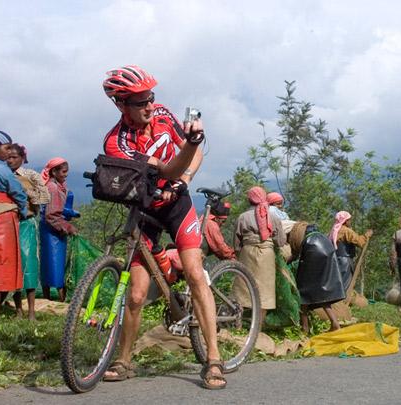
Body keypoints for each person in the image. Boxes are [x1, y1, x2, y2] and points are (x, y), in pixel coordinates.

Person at [100, 65, 225, 389]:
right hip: (146, 211)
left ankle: (213, 359)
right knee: (137, 294)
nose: (149, 106)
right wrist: (187, 152)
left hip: (178, 206)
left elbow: (188, 160)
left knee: (196, 273)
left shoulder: (164, 116)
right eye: (140, 102)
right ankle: (124, 360)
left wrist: (186, 175)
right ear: (121, 105)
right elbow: (168, 166)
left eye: (151, 98)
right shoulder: (117, 142)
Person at [0, 127, 28, 321]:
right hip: (2, 219)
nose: (9, 151)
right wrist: (23, 209)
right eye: (6, 147)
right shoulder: (1, 169)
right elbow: (18, 192)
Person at [6, 144, 50, 320]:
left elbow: (45, 197)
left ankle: (31, 310)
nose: (10, 160)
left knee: (29, 263)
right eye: (8, 157)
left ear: (22, 158)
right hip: (9, 224)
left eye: (14, 157)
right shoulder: (3, 175)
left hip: (26, 224)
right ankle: (18, 309)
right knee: (14, 265)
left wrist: (26, 191)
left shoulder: (30, 175)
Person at [234, 186, 287, 327]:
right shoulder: (273, 217)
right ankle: (258, 326)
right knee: (265, 289)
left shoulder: (243, 217)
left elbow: (237, 242)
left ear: (249, 200)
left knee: (243, 287)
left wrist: (240, 254)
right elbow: (281, 241)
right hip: (267, 255)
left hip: (247, 253)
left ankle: (238, 323)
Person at [39, 157, 77, 302]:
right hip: (51, 232)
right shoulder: (52, 188)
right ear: (54, 172)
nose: (66, 175)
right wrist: (68, 227)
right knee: (53, 263)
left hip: (56, 230)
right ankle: (55, 299)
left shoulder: (60, 185)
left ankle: (50, 296)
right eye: (63, 172)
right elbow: (51, 215)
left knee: (53, 263)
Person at [295, 224, 344, 332]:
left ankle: (305, 327)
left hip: (313, 261)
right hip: (327, 263)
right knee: (323, 295)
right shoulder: (323, 238)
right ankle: (335, 323)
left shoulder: (307, 239)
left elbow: (297, 257)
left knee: (303, 295)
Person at [328, 211, 372, 293]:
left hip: (334, 259)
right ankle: (340, 302)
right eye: (349, 220)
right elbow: (360, 242)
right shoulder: (346, 231)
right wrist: (367, 235)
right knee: (344, 283)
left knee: (336, 280)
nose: (350, 222)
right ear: (345, 221)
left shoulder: (333, 231)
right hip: (345, 260)